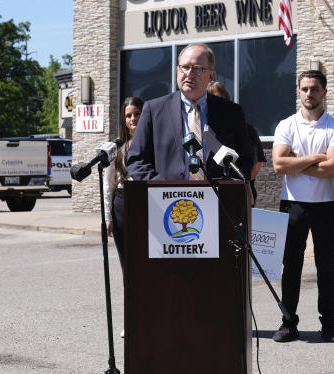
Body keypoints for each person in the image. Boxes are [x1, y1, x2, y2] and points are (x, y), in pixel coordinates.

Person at [270, 70, 334, 343]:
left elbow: (332, 169)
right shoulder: (286, 125)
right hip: (293, 204)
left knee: (327, 268)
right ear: (299, 92)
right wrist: (315, 158)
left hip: (326, 205)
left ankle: (329, 324)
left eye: (314, 89)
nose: (309, 94)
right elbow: (278, 165)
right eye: (304, 89)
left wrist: (297, 162)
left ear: (324, 92)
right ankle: (288, 323)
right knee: (291, 267)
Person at [126, 43, 252, 181]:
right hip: (168, 200)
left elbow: (244, 162)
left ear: (211, 76)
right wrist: (161, 188)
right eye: (184, 67)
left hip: (216, 199)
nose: (189, 74)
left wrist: (226, 188)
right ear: (177, 70)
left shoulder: (231, 112)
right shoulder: (154, 109)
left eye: (197, 69)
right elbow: (136, 161)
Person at [207, 80, 265, 200]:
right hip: (207, 193)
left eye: (219, 99)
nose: (215, 104)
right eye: (211, 100)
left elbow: (257, 162)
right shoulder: (203, 130)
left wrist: (241, 182)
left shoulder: (245, 128)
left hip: (236, 193)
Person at [105, 96, 144, 265]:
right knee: (127, 260)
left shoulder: (154, 143)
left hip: (146, 202)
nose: (133, 118)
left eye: (137, 114)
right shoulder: (117, 148)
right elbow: (109, 184)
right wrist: (108, 217)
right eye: (129, 115)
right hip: (121, 203)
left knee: (146, 256)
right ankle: (129, 291)